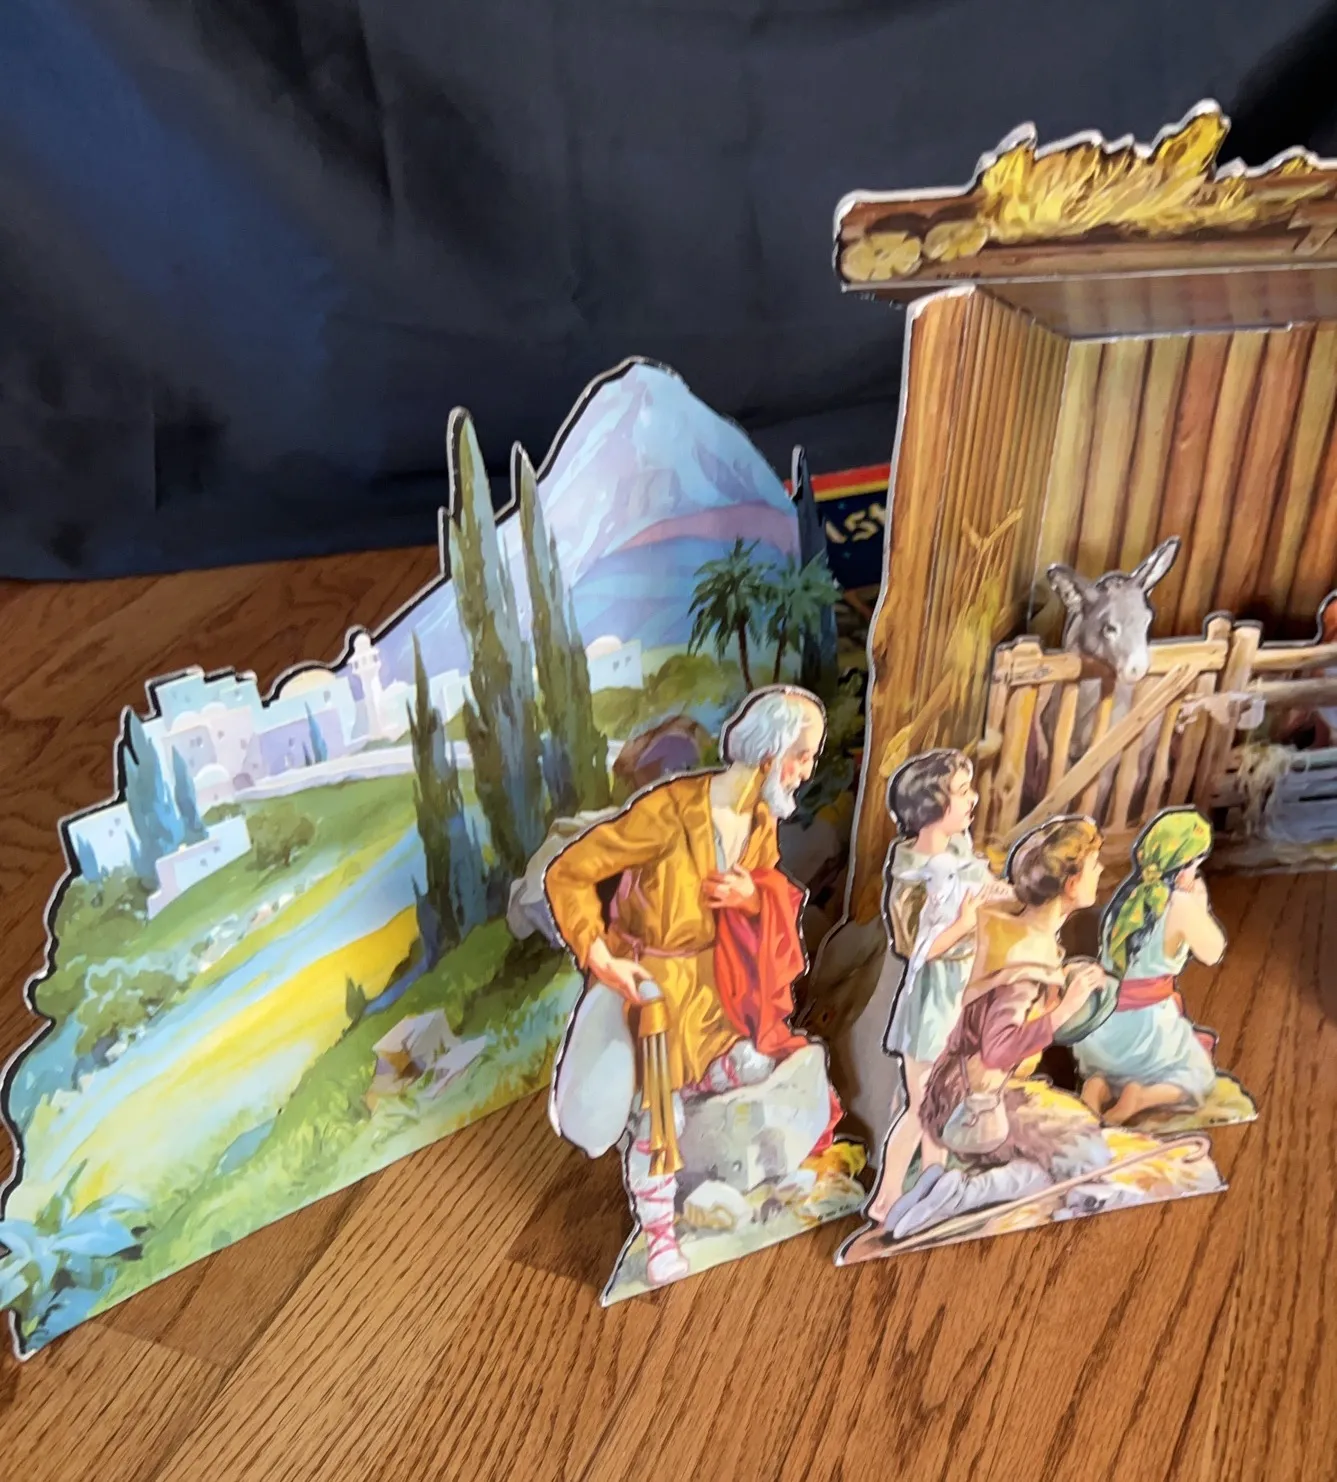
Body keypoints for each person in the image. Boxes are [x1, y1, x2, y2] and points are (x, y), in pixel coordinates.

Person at [544, 686, 842, 1286]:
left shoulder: (760, 819)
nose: (807, 770)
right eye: (803, 756)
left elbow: (765, 893)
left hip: (715, 995)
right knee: (661, 1116)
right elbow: (568, 873)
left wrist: (752, 897)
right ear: (770, 753)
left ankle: (734, 1146)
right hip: (651, 995)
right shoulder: (668, 813)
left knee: (759, 1063)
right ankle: (659, 1235)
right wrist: (603, 960)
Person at [885, 816, 1114, 1242]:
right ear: (1070, 884)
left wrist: (1065, 986)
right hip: (971, 1104)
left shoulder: (1012, 925)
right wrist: (1065, 1008)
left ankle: (939, 1188)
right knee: (1084, 1150)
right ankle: (962, 1193)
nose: (1100, 871)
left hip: (958, 1090)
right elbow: (998, 1048)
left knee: (1064, 1144)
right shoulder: (1027, 957)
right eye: (1094, 864)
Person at [864, 750, 1007, 1225]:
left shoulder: (960, 852)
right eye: (962, 792)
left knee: (944, 1104)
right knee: (922, 1106)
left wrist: (1011, 897)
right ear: (931, 806)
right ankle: (886, 1199)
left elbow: (987, 889)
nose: (973, 798)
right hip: (931, 996)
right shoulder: (911, 873)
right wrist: (964, 923)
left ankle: (933, 1184)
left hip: (963, 989)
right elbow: (914, 947)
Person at [1075, 809, 1225, 1126]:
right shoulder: (1180, 904)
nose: (1195, 872)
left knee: (1108, 1071)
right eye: (1195, 864)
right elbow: (1213, 952)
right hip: (1149, 1027)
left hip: (1104, 1024)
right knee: (1199, 1076)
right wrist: (1200, 904)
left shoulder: (1127, 897)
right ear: (1183, 866)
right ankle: (1140, 1098)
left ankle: (1096, 1088)